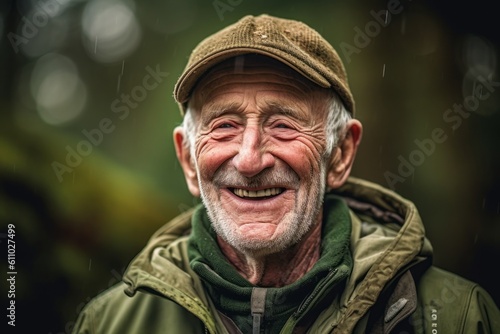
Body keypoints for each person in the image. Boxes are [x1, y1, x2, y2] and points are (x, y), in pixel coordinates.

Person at [72, 14, 500, 333]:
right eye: (224, 126)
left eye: (284, 124)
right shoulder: (108, 324)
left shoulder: (459, 317)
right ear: (187, 159)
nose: (250, 160)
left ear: (340, 154)